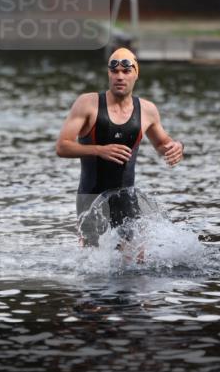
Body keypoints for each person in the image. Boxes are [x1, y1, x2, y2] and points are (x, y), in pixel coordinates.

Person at [56, 48, 184, 246]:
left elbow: (162, 144)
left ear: (136, 74)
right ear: (108, 73)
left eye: (126, 71)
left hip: (126, 197)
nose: (120, 76)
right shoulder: (88, 104)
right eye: (114, 71)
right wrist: (100, 150)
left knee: (135, 257)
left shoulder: (147, 110)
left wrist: (176, 147)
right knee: (92, 259)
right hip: (91, 198)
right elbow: (62, 147)